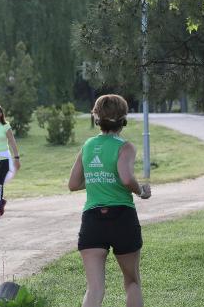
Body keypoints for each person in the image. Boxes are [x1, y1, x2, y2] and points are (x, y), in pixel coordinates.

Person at [68, 94, 152, 307]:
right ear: (123, 118)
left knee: (94, 288)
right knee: (132, 281)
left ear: (96, 117)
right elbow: (125, 178)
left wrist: (98, 180)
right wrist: (141, 190)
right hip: (122, 217)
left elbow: (73, 184)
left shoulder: (87, 146)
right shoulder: (125, 147)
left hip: (92, 220)